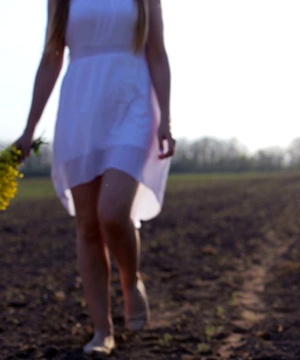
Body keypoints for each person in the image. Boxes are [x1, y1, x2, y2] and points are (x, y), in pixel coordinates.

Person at [14, 0, 175, 355]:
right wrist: (29, 128)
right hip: (80, 109)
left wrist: (166, 118)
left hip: (132, 103)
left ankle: (130, 281)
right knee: (88, 225)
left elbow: (158, 54)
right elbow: (51, 57)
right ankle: (102, 330)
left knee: (113, 213)